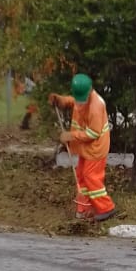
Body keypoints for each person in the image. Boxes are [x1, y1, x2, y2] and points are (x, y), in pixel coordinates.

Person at [49, 74, 117, 222]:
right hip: (87, 148)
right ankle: (85, 208)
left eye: (82, 99)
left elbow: (93, 133)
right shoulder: (83, 98)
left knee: (91, 177)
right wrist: (61, 100)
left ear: (90, 90)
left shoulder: (96, 106)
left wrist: (71, 136)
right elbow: (74, 101)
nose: (79, 103)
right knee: (81, 175)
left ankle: (106, 208)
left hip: (96, 148)